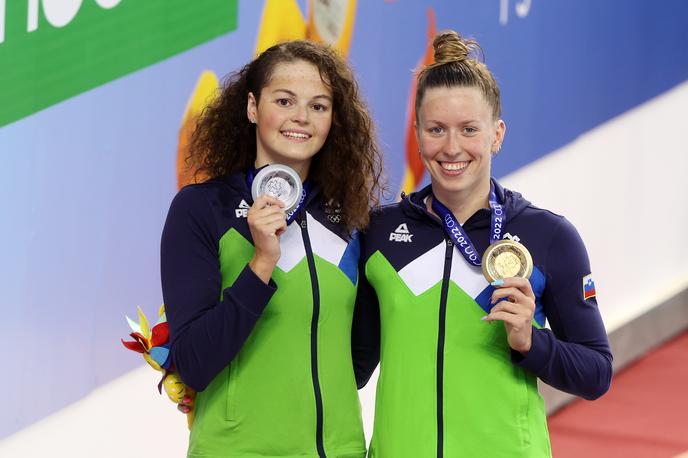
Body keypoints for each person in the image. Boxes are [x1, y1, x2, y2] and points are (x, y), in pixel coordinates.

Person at [352, 30, 613, 458]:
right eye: (436, 129)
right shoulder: (380, 233)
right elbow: (351, 366)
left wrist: (532, 341)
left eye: (469, 129)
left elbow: (595, 374)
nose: (452, 147)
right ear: (417, 134)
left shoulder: (548, 237)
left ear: (497, 134)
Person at [161, 40, 383, 458]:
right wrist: (261, 263)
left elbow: (357, 360)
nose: (301, 117)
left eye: (319, 106)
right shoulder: (202, 209)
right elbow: (193, 362)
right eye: (284, 100)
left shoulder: (350, 217)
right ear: (252, 107)